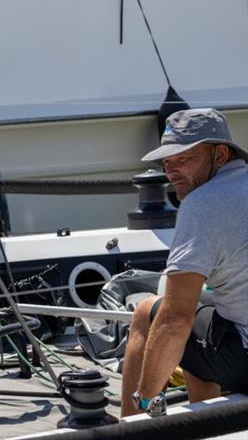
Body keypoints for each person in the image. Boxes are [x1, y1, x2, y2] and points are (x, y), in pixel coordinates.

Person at [121, 108, 248, 417]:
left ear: (220, 155)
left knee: (149, 312)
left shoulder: (202, 203)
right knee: (199, 321)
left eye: (184, 158)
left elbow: (175, 321)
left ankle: (132, 425)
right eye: (167, 162)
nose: (172, 171)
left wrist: (146, 398)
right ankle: (207, 423)